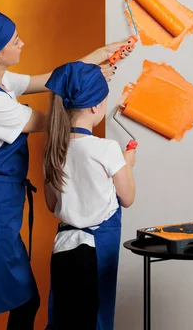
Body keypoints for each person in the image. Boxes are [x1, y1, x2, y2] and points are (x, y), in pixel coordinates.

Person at [0, 7, 133, 330]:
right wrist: (88, 92)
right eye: (15, 40)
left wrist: (95, 59)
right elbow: (55, 121)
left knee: (20, 302)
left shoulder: (0, 82)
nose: (23, 43)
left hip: (1, 207)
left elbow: (46, 80)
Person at [42, 61, 137, 330]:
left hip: (62, 249)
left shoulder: (52, 150)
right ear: (96, 106)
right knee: (95, 320)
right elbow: (127, 197)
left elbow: (52, 204)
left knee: (64, 320)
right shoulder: (107, 149)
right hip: (96, 253)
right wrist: (127, 163)